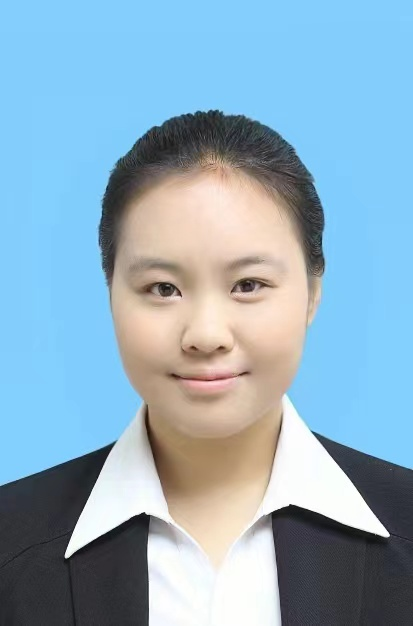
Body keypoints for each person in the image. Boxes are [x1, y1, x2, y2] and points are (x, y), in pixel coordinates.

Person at [1, 111, 412, 625]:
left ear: (313, 293)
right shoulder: (11, 547)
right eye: (163, 289)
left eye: (248, 285)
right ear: (110, 292)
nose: (206, 334)